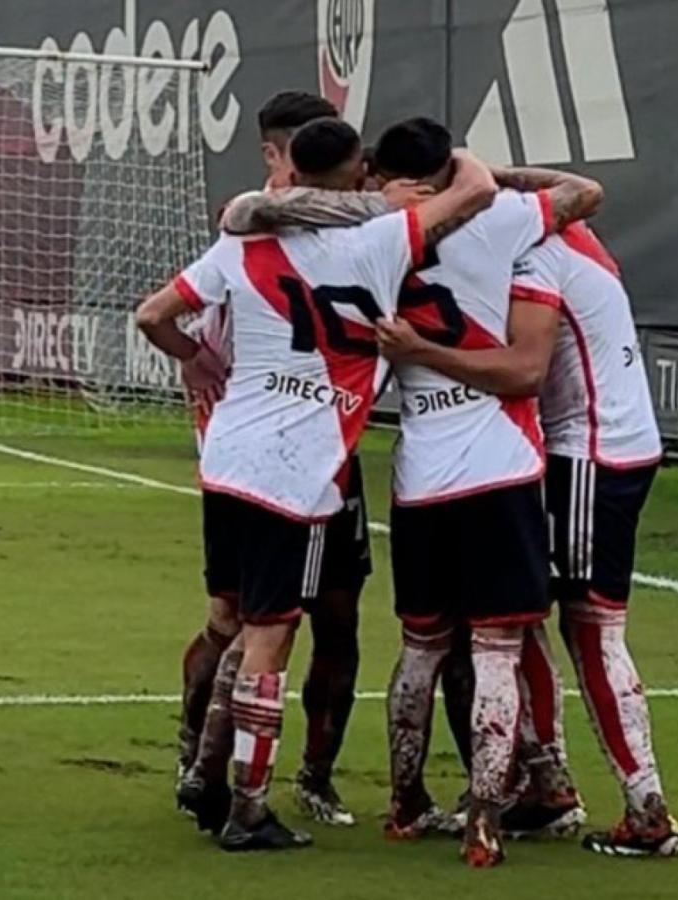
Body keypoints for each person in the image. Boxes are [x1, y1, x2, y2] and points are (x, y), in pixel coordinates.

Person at [136, 117, 497, 851]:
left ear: (290, 167)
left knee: (233, 619)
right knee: (272, 637)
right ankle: (247, 806)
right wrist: (427, 169)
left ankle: (203, 771)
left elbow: (151, 314)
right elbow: (479, 186)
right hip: (298, 466)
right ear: (358, 167)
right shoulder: (382, 238)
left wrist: (194, 357)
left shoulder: (244, 237)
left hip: (227, 453)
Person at [376, 219, 678, 859]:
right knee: (523, 619)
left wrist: (421, 351)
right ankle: (548, 785)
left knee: (591, 629)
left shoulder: (529, 255)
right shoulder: (573, 231)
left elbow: (526, 369)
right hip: (611, 441)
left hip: (588, 452)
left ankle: (647, 808)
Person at [175, 90, 378, 832]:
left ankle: (302, 777)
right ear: (273, 155)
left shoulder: (313, 225)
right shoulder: (248, 222)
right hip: (279, 456)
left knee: (333, 616)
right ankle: (211, 768)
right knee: (254, 622)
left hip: (304, 457)